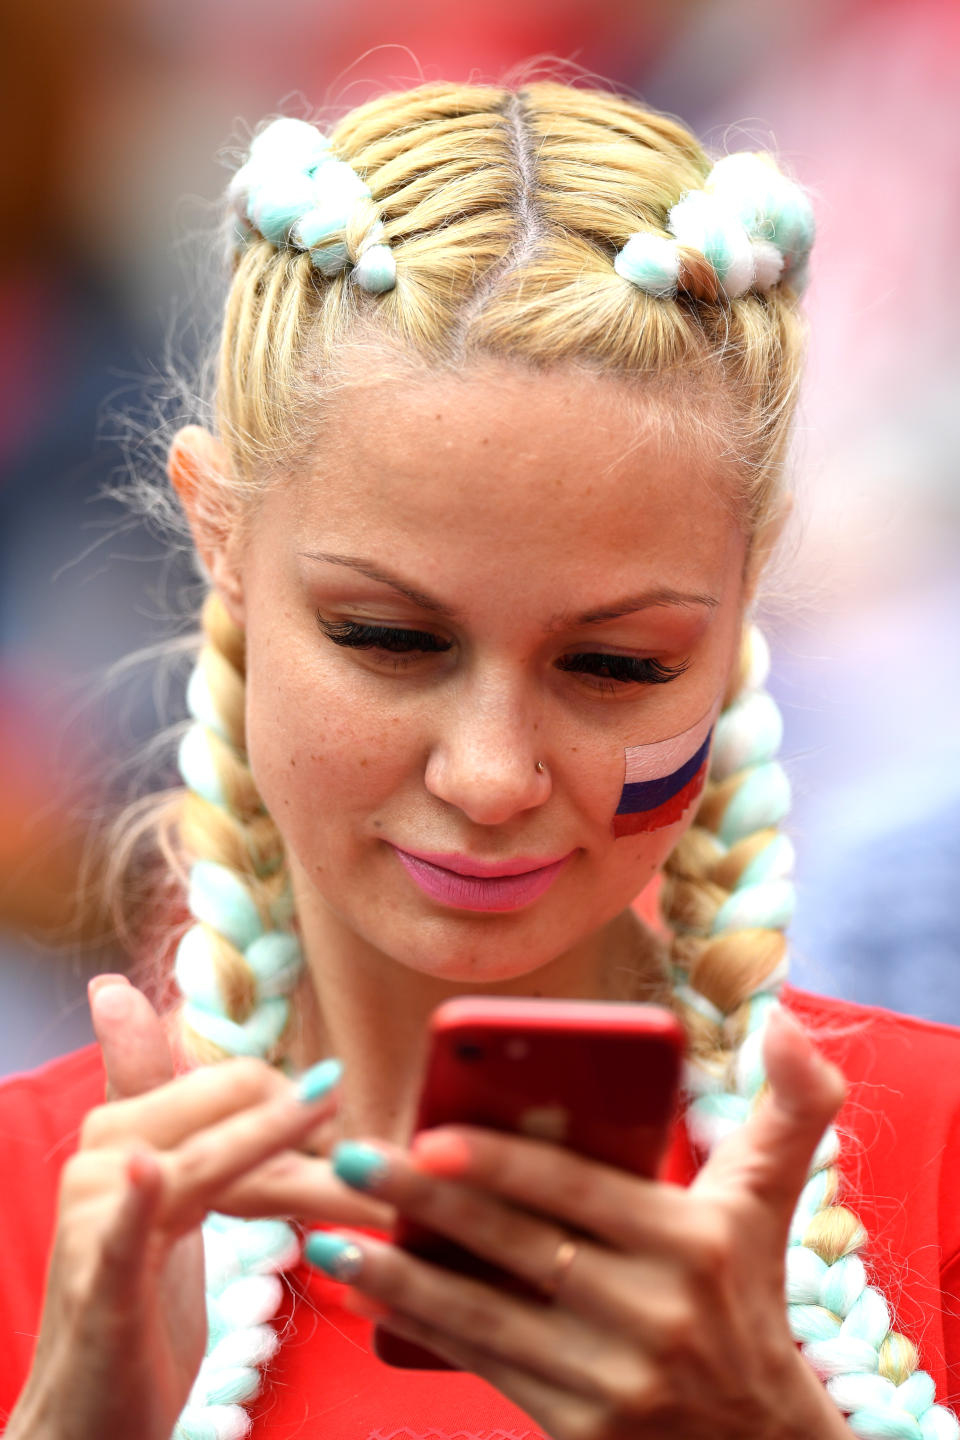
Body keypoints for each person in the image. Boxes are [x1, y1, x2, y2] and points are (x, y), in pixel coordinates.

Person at [2, 78, 959, 1440]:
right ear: (218, 535)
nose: (495, 774)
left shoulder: (934, 1171)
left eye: (617, 665)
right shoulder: (42, 1209)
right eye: (389, 639)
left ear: (745, 592)